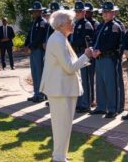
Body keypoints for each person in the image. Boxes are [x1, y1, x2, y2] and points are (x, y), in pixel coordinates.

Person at [40, 9, 93, 162]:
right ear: (62, 24)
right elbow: (69, 67)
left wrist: (85, 57)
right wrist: (86, 56)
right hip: (59, 89)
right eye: (70, 22)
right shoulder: (57, 40)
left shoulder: (60, 38)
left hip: (63, 89)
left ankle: (60, 155)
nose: (73, 24)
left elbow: (70, 65)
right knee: (61, 125)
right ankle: (58, 157)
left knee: (64, 125)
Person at [89, 2, 122, 118]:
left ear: (113, 13)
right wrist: (92, 48)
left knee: (110, 84)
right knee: (100, 84)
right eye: (104, 12)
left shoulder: (115, 26)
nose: (105, 14)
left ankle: (112, 109)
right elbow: (94, 40)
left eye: (108, 12)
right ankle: (101, 107)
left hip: (109, 58)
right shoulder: (101, 26)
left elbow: (112, 42)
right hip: (98, 58)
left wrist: (100, 50)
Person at [70, 1, 94, 113]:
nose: (77, 13)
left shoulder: (86, 24)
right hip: (76, 54)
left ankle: (86, 104)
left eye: (80, 11)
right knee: (77, 79)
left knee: (85, 79)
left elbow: (87, 40)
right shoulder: (76, 23)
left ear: (84, 12)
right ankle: (79, 103)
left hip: (83, 54)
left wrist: (72, 44)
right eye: (76, 11)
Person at [24, 1, 47, 103]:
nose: (33, 13)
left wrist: (30, 46)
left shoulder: (42, 22)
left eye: (35, 11)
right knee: (34, 72)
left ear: (40, 11)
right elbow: (30, 35)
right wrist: (26, 45)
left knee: (40, 72)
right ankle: (36, 93)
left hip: (38, 50)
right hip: (33, 50)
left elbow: (39, 37)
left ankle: (41, 94)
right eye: (33, 11)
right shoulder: (34, 22)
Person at [85, 2, 99, 108]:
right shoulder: (81, 22)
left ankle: (91, 99)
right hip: (84, 53)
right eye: (86, 11)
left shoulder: (95, 24)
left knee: (91, 77)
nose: (87, 13)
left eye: (89, 11)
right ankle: (85, 99)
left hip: (92, 53)